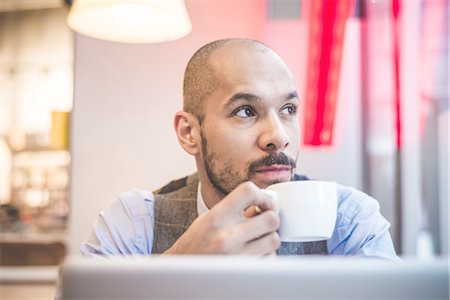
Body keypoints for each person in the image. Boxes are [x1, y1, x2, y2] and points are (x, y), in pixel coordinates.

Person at [81, 38, 399, 259]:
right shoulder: (135, 221)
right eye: (245, 111)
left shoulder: (349, 219)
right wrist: (178, 268)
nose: (278, 136)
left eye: (288, 110)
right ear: (189, 132)